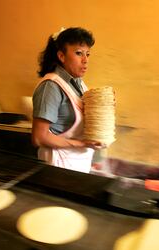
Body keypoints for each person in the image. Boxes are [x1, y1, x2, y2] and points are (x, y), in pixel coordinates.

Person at [31, 27, 104, 173]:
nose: (85, 60)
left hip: (78, 162)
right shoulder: (51, 86)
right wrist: (80, 144)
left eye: (87, 54)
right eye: (78, 53)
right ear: (61, 56)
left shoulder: (79, 83)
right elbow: (39, 138)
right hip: (58, 164)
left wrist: (103, 106)